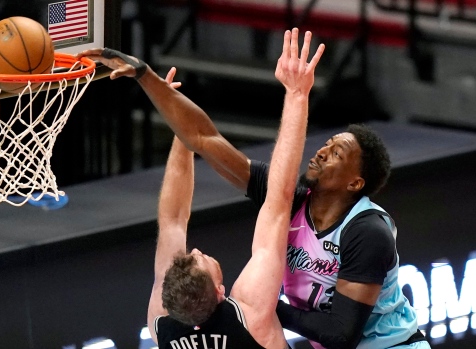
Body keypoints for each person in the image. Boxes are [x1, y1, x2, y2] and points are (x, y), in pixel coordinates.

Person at [77, 29, 430, 348]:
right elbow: (207, 142)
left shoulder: (367, 231)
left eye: (335, 152)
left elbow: (200, 146)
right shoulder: (245, 312)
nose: (321, 151)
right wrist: (296, 94)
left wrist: (147, 79)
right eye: (329, 145)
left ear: (355, 182)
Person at [83, 29, 323, 348]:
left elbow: (172, 219)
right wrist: (297, 95)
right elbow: (278, 201)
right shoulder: (249, 314)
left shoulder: (163, 326)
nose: (194, 250)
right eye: (200, 260)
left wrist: (181, 127)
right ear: (221, 293)